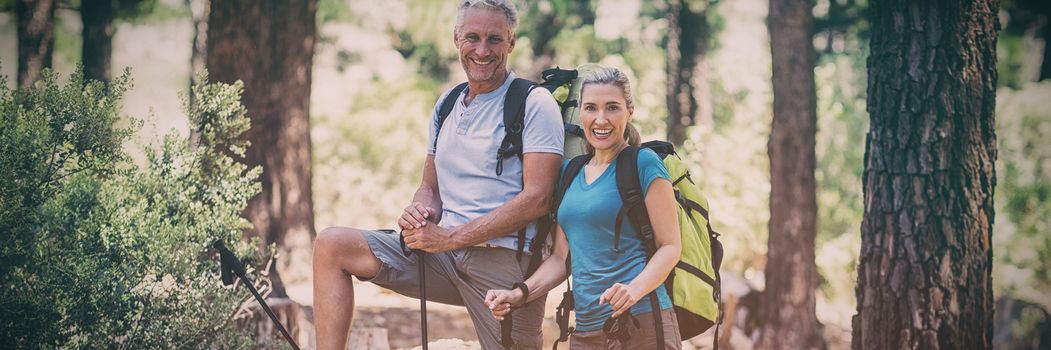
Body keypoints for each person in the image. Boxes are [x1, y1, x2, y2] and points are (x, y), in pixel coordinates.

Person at [311, 1, 564, 349]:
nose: (482, 50)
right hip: (442, 258)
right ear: (456, 39)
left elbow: (538, 198)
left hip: (505, 265)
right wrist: (420, 209)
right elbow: (429, 187)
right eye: (472, 37)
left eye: (494, 39)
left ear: (512, 42)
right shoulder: (448, 103)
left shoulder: (534, 103)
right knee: (332, 245)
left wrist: (449, 238)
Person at [485, 67, 683, 349]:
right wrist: (519, 294)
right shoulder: (570, 172)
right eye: (591, 108)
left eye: (612, 108)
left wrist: (633, 290)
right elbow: (560, 258)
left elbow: (670, 246)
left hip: (641, 322)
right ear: (580, 111)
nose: (601, 119)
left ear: (630, 111)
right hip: (586, 331)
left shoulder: (644, 163)